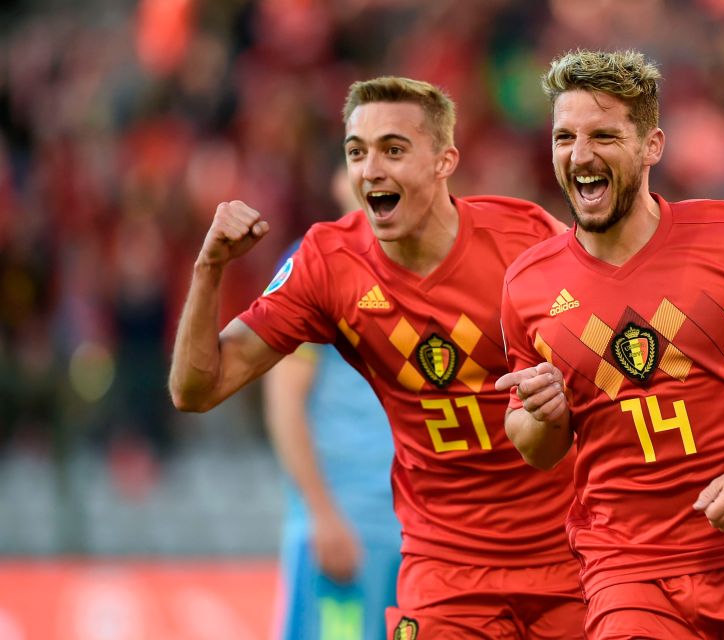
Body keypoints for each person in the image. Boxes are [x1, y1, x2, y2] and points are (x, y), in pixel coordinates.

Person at [169, 76, 586, 639]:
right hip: (444, 567)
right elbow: (195, 390)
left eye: (393, 149)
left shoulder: (527, 239)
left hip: (568, 557)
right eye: (357, 152)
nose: (371, 169)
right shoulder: (327, 263)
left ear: (445, 161)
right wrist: (209, 269)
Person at [496, 50, 724, 639]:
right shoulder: (527, 283)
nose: (580, 155)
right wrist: (543, 415)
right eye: (564, 137)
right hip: (626, 567)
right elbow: (537, 448)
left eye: (603, 135)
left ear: (651, 145)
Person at [264, 165, 400, 640]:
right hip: (343, 523)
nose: (374, 173)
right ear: (338, 180)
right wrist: (320, 513)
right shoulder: (314, 266)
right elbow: (284, 402)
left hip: (417, 530)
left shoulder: (425, 265)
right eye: (357, 157)